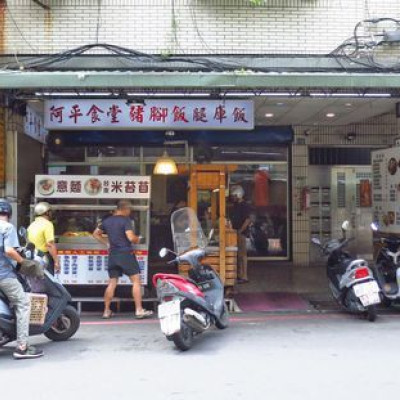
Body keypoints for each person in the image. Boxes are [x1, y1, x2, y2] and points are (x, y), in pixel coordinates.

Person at [93, 200, 153, 319]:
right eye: (129, 210)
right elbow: (131, 237)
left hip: (113, 254)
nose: (130, 212)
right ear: (125, 209)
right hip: (125, 253)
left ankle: (106, 311)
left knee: (112, 283)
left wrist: (107, 243)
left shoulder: (107, 221)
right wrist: (138, 239)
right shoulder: (126, 220)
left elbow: (95, 234)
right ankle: (139, 310)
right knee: (136, 281)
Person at [0, 199, 44, 359]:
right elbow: (9, 251)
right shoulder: (7, 227)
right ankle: (22, 347)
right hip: (3, 275)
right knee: (23, 304)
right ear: (9, 214)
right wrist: (22, 262)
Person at [27, 202, 60, 275]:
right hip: (44, 258)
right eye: (50, 211)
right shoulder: (47, 224)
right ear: (47, 213)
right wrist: (56, 261)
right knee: (48, 282)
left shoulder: (32, 225)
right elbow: (50, 245)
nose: (51, 213)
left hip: (33, 257)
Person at [229, 186, 251, 283]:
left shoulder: (244, 206)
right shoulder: (236, 205)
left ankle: (244, 276)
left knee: (242, 255)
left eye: (234, 195)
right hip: (235, 232)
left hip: (241, 233)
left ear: (238, 194)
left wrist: (240, 231)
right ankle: (239, 274)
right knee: (237, 255)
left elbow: (247, 220)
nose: (232, 197)